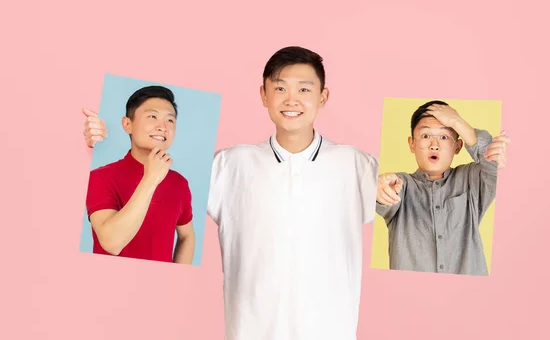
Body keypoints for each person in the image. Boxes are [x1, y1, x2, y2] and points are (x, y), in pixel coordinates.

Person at [82, 47, 378, 340]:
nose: (292, 100)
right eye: (279, 88)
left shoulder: (356, 164)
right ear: (263, 94)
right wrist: (97, 142)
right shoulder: (228, 164)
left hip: (330, 331)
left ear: (323, 97)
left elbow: (407, 201)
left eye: (304, 89)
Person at [376, 100, 509, 276]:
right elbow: (381, 196)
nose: (434, 144)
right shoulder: (401, 184)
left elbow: (492, 161)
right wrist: (377, 187)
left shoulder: (472, 179)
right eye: (425, 136)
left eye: (444, 136)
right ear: (411, 144)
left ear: (458, 146)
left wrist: (457, 122)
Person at [84, 85, 195, 264]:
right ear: (128, 124)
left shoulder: (179, 183)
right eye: (152, 116)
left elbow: (187, 236)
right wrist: (151, 178)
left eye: (170, 120)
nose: (162, 127)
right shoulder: (100, 178)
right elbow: (111, 243)